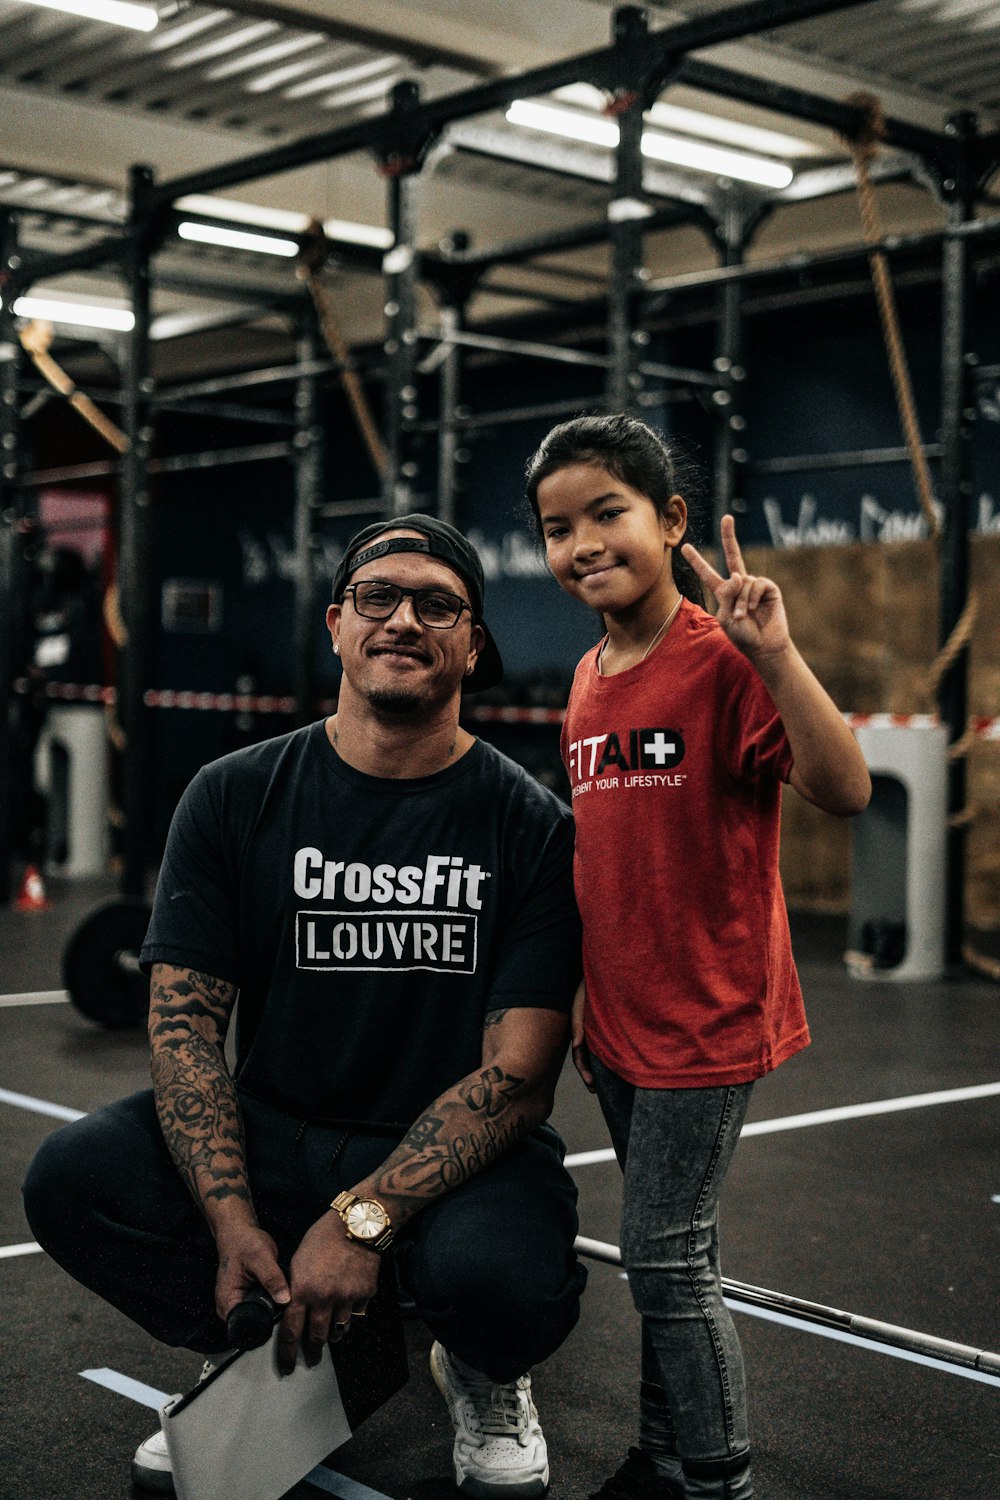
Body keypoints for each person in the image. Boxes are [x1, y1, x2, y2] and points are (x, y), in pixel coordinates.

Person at [24, 514, 588, 1499]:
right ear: (335, 624)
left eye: (437, 604)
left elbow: (520, 1076)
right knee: (72, 1180)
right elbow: (183, 1032)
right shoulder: (233, 794)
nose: (404, 619)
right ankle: (255, 1345)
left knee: (503, 1285)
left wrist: (362, 1222)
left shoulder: (530, 825)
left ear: (474, 644)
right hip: (277, 1126)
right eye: (378, 597)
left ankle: (482, 1369)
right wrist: (235, 1219)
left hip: (451, 1149)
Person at [525, 414, 871, 1500]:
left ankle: (718, 1482)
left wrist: (772, 653)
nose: (581, 542)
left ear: (671, 521)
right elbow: (601, 858)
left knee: (668, 1262)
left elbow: (844, 786)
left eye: (605, 514)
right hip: (620, 1022)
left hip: (709, 1015)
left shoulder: (717, 660)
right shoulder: (586, 677)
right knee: (663, 1258)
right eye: (554, 526)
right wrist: (582, 997)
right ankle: (661, 1455)